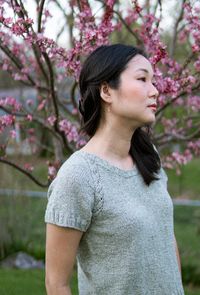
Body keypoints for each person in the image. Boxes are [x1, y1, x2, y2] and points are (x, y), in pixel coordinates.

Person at [44, 43, 185, 295]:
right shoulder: (79, 176)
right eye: (143, 79)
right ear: (107, 91)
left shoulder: (149, 156)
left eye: (153, 81)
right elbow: (56, 284)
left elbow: (166, 237)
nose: (154, 91)